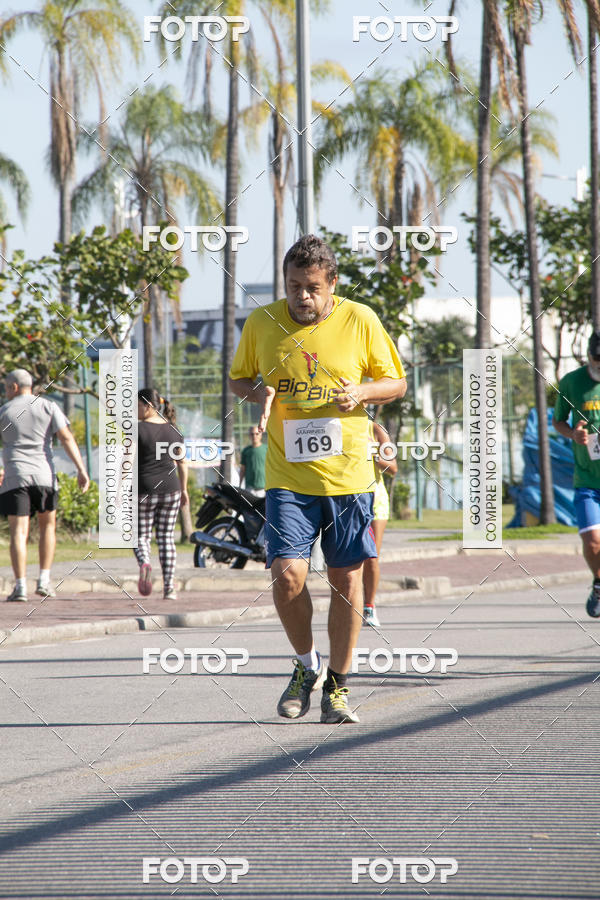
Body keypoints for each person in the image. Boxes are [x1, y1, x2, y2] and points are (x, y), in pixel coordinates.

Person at [229, 234, 406, 723]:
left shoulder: (360, 319)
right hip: (288, 477)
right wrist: (258, 392)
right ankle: (307, 667)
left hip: (348, 477)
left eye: (311, 287)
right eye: (293, 287)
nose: (301, 297)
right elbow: (239, 377)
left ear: (331, 285)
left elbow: (396, 381)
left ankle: (339, 687)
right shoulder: (262, 323)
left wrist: (363, 390)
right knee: (286, 577)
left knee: (346, 581)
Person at [0, 369, 90, 602]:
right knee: (47, 526)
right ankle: (44, 581)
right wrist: (81, 469)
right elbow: (67, 437)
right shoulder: (49, 406)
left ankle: (20, 586)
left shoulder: (4, 411)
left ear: (15, 387)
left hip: (15, 477)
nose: (5, 390)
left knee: (19, 532)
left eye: (7, 386)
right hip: (45, 477)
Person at [553, 331, 600, 618]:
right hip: (587, 480)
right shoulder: (571, 382)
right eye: (597, 359)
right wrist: (574, 434)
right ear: (589, 355)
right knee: (592, 540)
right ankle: (598, 581)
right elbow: (558, 421)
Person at [135, 388, 188, 601]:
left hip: (144, 490)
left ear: (148, 406)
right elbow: (183, 464)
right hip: (171, 488)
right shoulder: (174, 431)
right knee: (166, 538)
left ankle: (145, 563)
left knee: (140, 536)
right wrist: (184, 490)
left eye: (137, 405)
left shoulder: (136, 430)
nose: (134, 410)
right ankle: (169, 587)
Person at [363, 420, 398, 627]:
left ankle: (369, 607)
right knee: (348, 559)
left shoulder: (376, 429)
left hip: (375, 500)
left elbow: (393, 467)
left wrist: (371, 452)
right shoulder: (334, 425)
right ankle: (351, 603)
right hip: (348, 500)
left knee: (371, 557)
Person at [239, 426, 267, 496]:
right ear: (249, 435)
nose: (254, 436)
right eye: (252, 434)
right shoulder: (246, 451)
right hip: (250, 488)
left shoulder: (267, 449)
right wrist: (239, 485)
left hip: (265, 488)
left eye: (257, 434)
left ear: (261, 435)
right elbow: (242, 469)